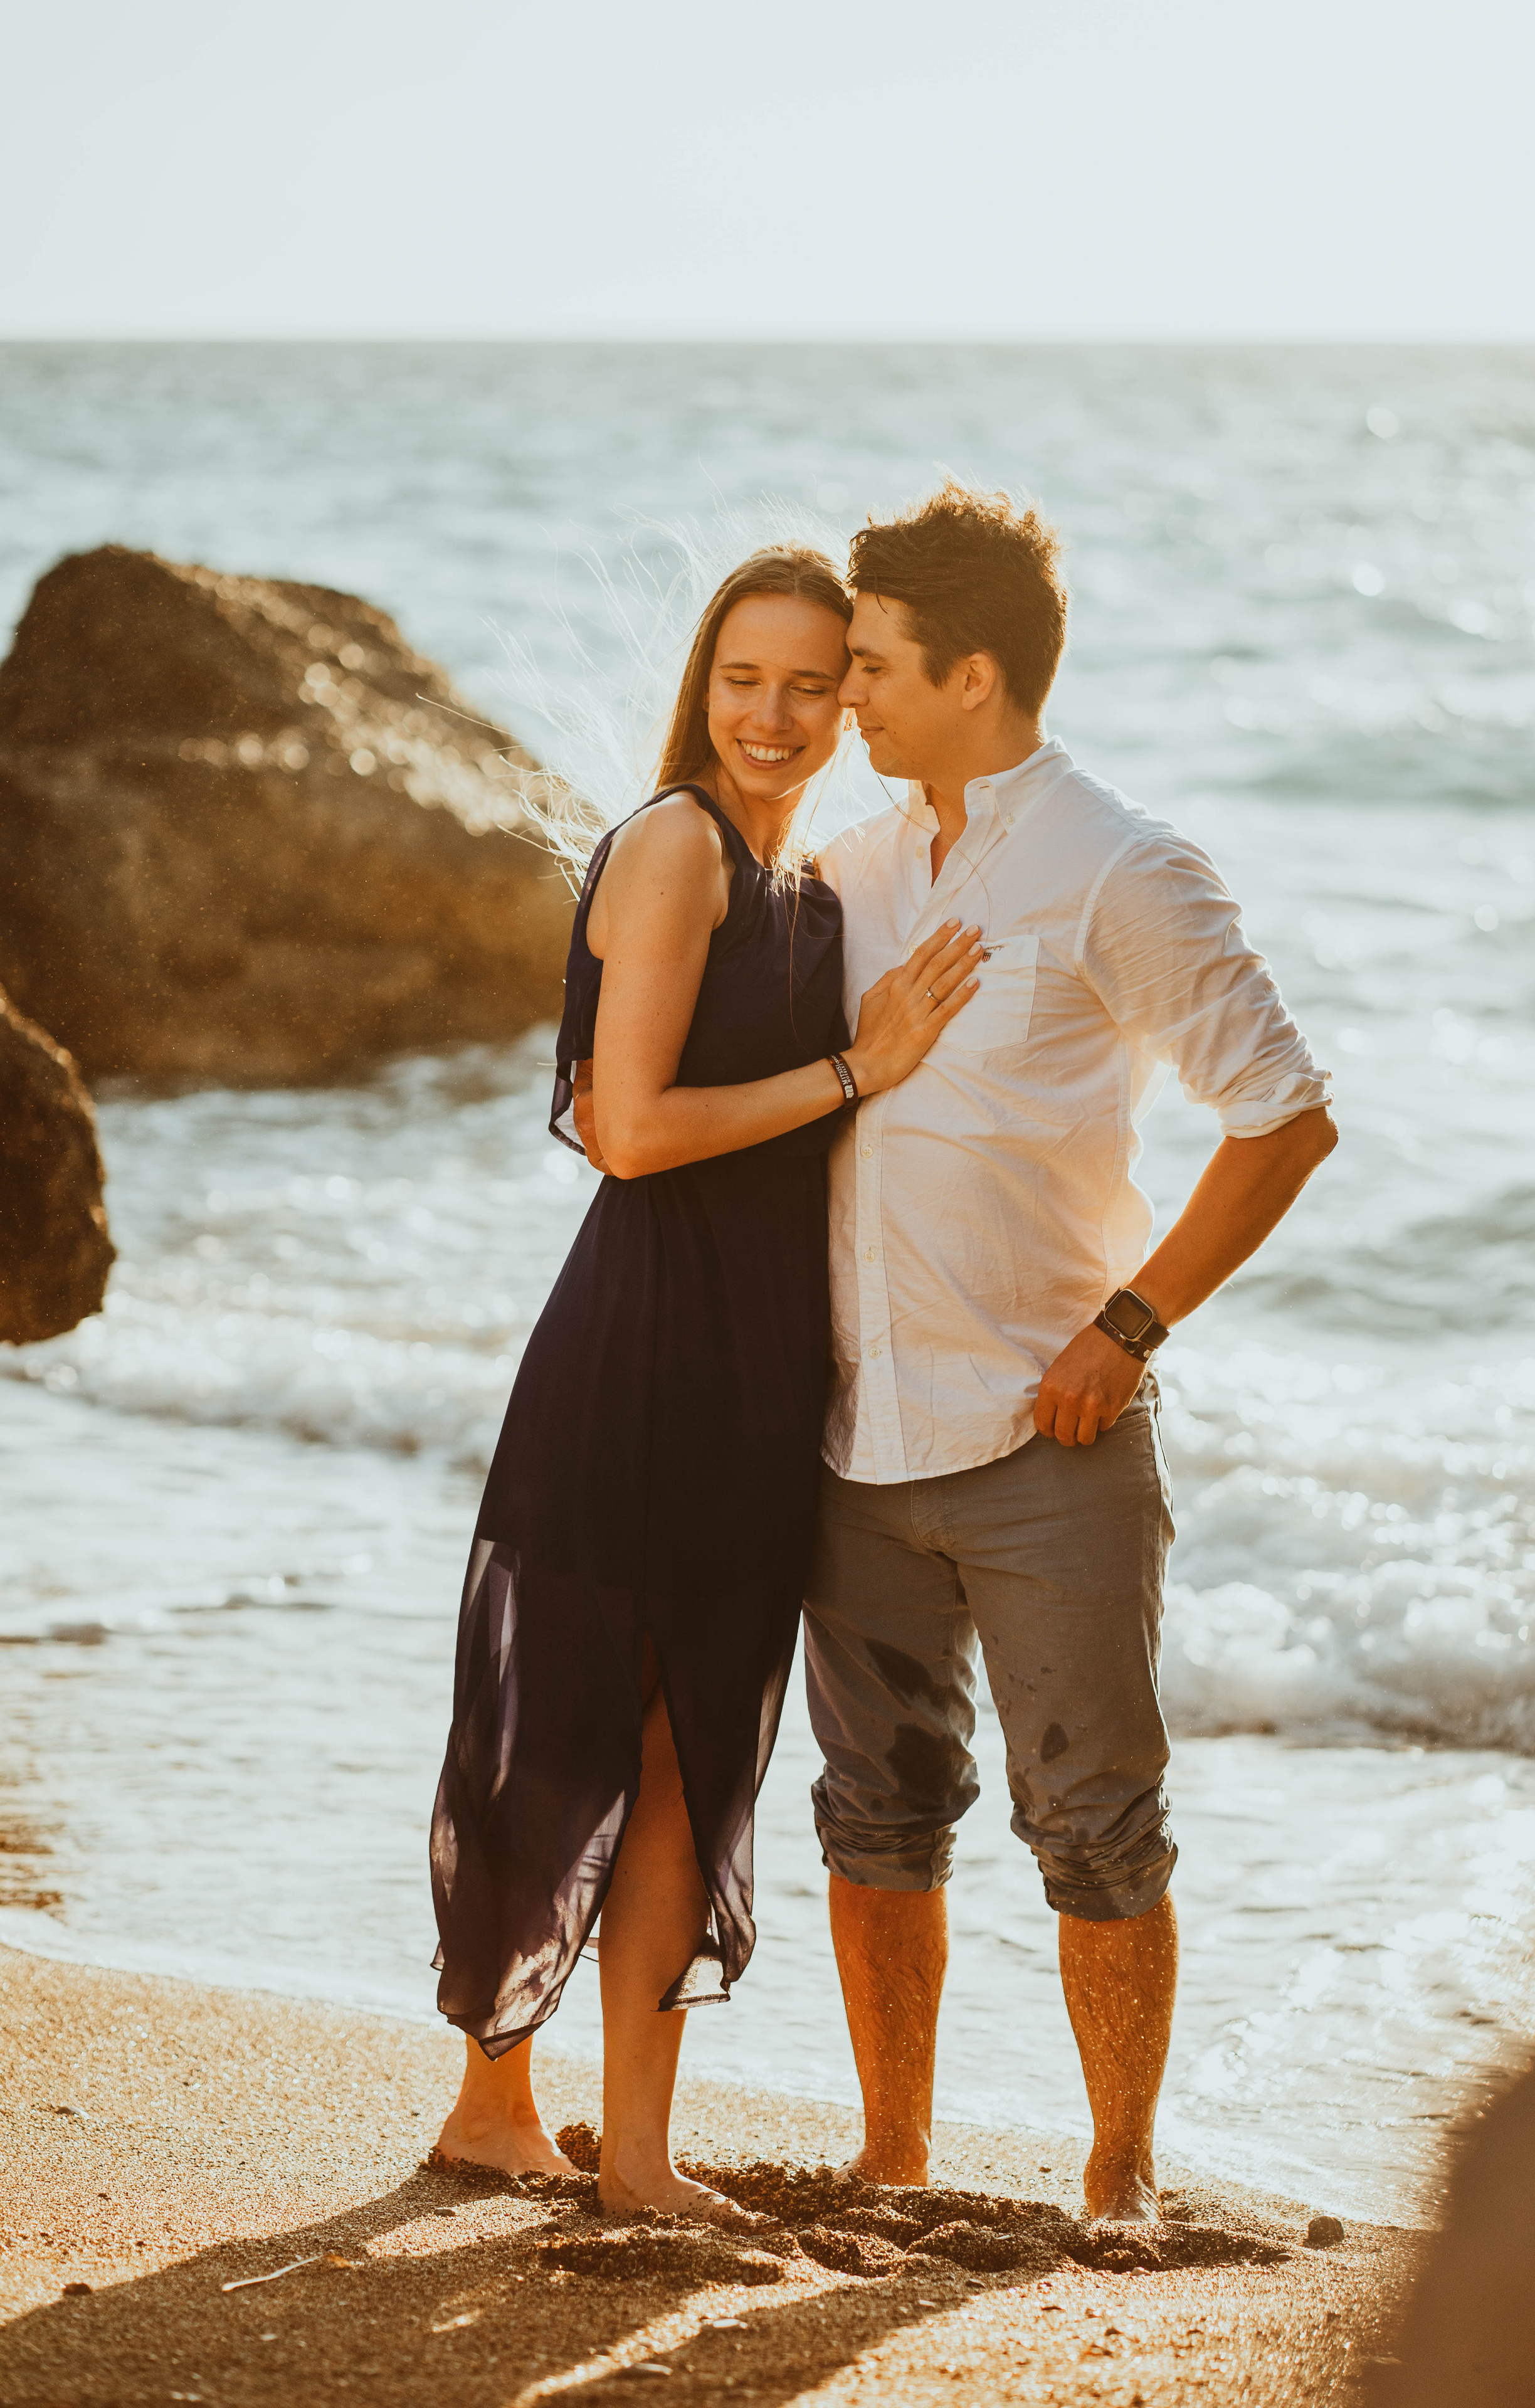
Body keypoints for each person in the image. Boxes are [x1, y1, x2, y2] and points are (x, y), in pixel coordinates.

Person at [428, 544, 982, 2224]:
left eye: (813, 682)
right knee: (573, 1732)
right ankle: (491, 2102)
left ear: (856, 696)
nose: (775, 710)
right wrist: (851, 1067)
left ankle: (638, 2155)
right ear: (703, 683)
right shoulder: (675, 847)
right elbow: (627, 1125)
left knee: (690, 1757)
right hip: (641, 1348)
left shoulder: (806, 873)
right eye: (745, 676)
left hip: (757, 1371)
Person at [808, 482, 1337, 2224]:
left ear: (973, 672)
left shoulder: (1123, 863)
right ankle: (894, 2157)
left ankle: (1118, 2179)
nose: (844, 697)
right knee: (875, 1814)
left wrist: (1130, 1324)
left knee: (1096, 1823)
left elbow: (1282, 1117)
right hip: (852, 1434)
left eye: (873, 665)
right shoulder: (855, 864)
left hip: (1049, 1437)